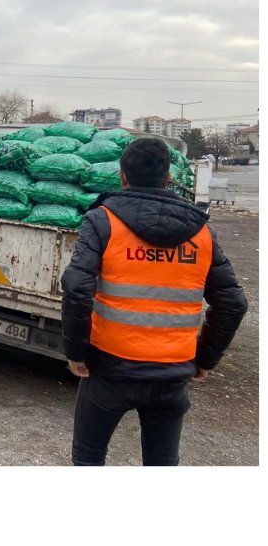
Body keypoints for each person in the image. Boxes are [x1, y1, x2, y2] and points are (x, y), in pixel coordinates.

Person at [61, 138, 247, 466]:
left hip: (109, 370)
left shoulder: (102, 222)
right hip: (171, 377)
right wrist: (203, 359)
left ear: (122, 176)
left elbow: (77, 288)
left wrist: (76, 353)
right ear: (166, 178)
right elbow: (232, 302)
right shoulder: (201, 232)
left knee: (88, 459)